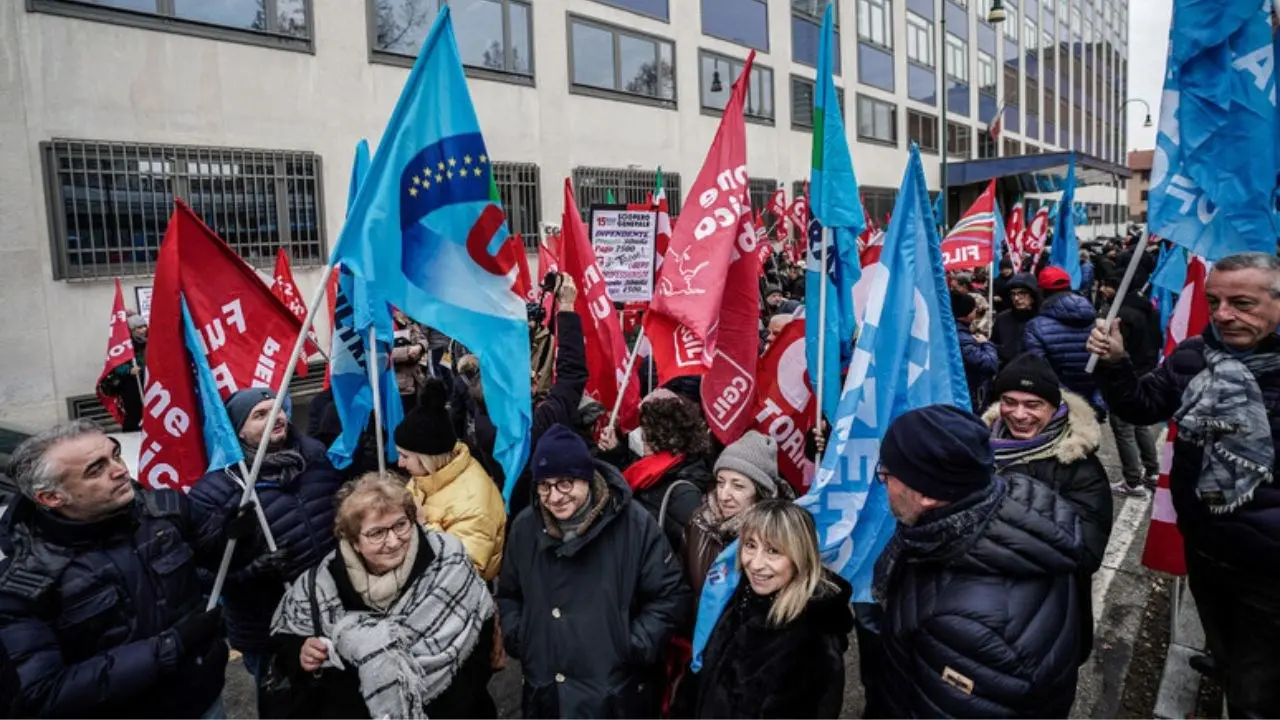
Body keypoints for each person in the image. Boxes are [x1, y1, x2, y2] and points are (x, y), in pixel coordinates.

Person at [1086, 251, 1280, 717]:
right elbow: (1142, 406)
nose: (1223, 314)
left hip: (1270, 569)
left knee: (1260, 691)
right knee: (1225, 648)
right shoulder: (1194, 353)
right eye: (1214, 301)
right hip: (1207, 549)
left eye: (1242, 303)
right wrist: (1115, 365)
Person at [0, 420, 242, 717]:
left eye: (115, 455)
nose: (120, 470)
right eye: (95, 469)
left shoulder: (163, 509)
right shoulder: (24, 584)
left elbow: (211, 560)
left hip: (203, 699)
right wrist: (170, 646)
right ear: (51, 497)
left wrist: (231, 533)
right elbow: (42, 694)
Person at [874, 405, 1085, 718]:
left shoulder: (962, 628)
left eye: (887, 474)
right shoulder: (1020, 509)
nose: (883, 482)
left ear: (928, 494)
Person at [498, 424, 689, 718]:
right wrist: (521, 636)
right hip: (546, 692)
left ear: (586, 479)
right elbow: (510, 593)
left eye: (565, 483)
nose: (555, 497)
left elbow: (669, 595)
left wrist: (631, 644)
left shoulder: (634, 525)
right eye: (545, 485)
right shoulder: (525, 528)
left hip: (611, 695)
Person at [270, 474, 497, 718]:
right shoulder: (319, 586)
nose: (393, 541)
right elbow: (286, 643)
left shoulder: (448, 560)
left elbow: (481, 635)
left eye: (400, 524)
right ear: (354, 541)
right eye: (376, 533)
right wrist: (302, 653)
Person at [187, 388, 345, 703]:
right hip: (268, 631)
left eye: (278, 408)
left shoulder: (315, 457)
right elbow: (203, 573)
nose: (277, 417)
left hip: (335, 613)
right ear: (237, 430)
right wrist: (251, 570)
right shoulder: (215, 491)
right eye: (260, 414)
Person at [983, 353, 1113, 661]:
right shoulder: (980, 448)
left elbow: (1085, 554)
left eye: (1033, 405)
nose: (1018, 414)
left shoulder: (1079, 468)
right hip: (983, 609)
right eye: (1009, 401)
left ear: (1054, 407)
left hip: (1046, 621)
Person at [695, 500, 853, 719]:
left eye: (773, 551)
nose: (756, 563)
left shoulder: (812, 642)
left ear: (799, 556)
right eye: (750, 545)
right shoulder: (745, 596)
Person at [472, 276, 587, 517]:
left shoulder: (482, 420)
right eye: (529, 377)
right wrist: (566, 309)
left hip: (511, 516)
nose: (535, 374)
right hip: (543, 518)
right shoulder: (538, 425)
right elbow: (571, 376)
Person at [396, 379, 506, 581]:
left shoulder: (473, 502)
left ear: (428, 459)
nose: (400, 464)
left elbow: (462, 573)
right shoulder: (428, 476)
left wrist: (423, 526)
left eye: (405, 456)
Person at [685, 430, 791, 607]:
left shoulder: (781, 533)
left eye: (738, 486)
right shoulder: (699, 522)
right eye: (720, 482)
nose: (724, 495)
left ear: (760, 492)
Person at [599, 393, 713, 554]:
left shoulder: (684, 493)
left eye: (645, 431)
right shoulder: (656, 468)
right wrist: (615, 452)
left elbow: (690, 549)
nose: (639, 436)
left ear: (662, 437)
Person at [1098, 275, 1163, 495]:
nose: (1102, 290)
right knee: (1141, 424)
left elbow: (1116, 350)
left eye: (1106, 285)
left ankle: (1132, 481)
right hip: (1148, 370)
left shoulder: (1121, 315)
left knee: (1124, 428)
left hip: (1128, 375)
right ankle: (1153, 471)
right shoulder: (1149, 309)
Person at [1024, 265, 1103, 413]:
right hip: (1091, 404)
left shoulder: (1035, 326)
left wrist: (1070, 404)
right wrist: (1098, 403)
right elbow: (1107, 365)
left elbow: (1041, 370)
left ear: (1041, 292)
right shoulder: (1095, 320)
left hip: (1057, 404)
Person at [98, 313, 148, 431]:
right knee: (134, 413)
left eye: (144, 326)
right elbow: (115, 363)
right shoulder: (123, 346)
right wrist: (128, 370)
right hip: (130, 386)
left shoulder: (148, 342)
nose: (143, 330)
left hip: (146, 381)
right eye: (139, 328)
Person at [953, 290, 999, 412]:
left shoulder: (956, 332)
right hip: (970, 393)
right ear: (969, 313)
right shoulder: (963, 339)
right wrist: (986, 344)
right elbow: (990, 364)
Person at [991, 273, 1041, 368]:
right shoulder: (1002, 318)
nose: (1016, 298)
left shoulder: (1042, 320)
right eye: (1013, 294)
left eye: (1022, 293)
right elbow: (994, 347)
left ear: (1033, 296)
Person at [391, 308, 428, 412]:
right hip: (399, 386)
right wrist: (408, 353)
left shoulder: (408, 322)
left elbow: (423, 339)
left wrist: (420, 347)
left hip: (416, 380)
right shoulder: (384, 327)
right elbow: (384, 355)